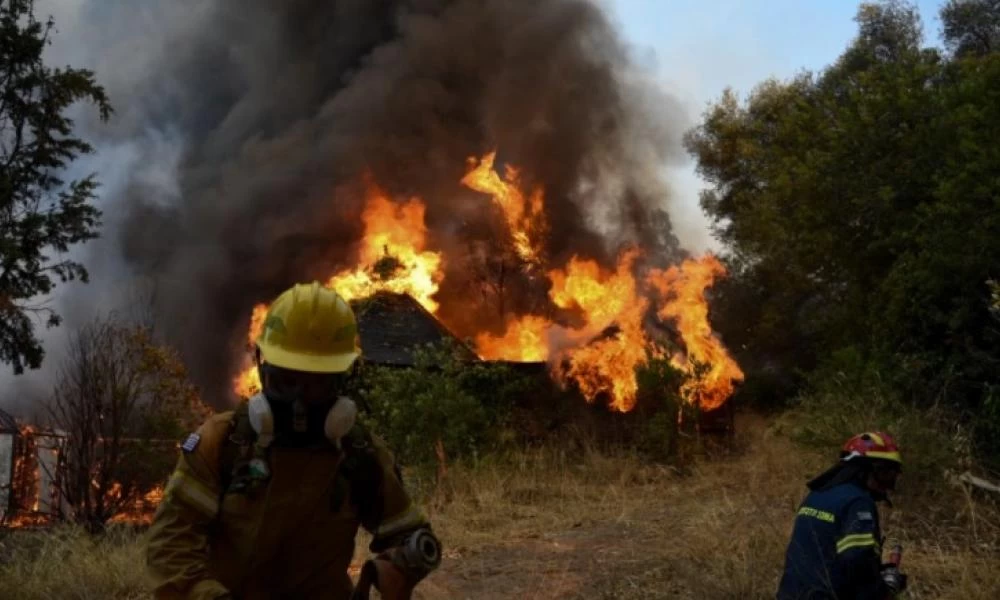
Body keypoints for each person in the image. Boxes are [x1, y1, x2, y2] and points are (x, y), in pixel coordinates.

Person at [146, 282, 441, 600]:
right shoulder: (222, 444)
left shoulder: (359, 454)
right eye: (287, 380)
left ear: (341, 379)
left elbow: (408, 533)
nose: (299, 401)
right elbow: (170, 547)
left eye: (316, 384)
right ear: (263, 369)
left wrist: (399, 564)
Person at [777, 431, 907, 600]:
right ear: (862, 469)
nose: (887, 484)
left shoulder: (816, 495)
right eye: (884, 473)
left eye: (892, 475)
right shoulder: (858, 502)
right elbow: (858, 562)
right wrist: (883, 590)